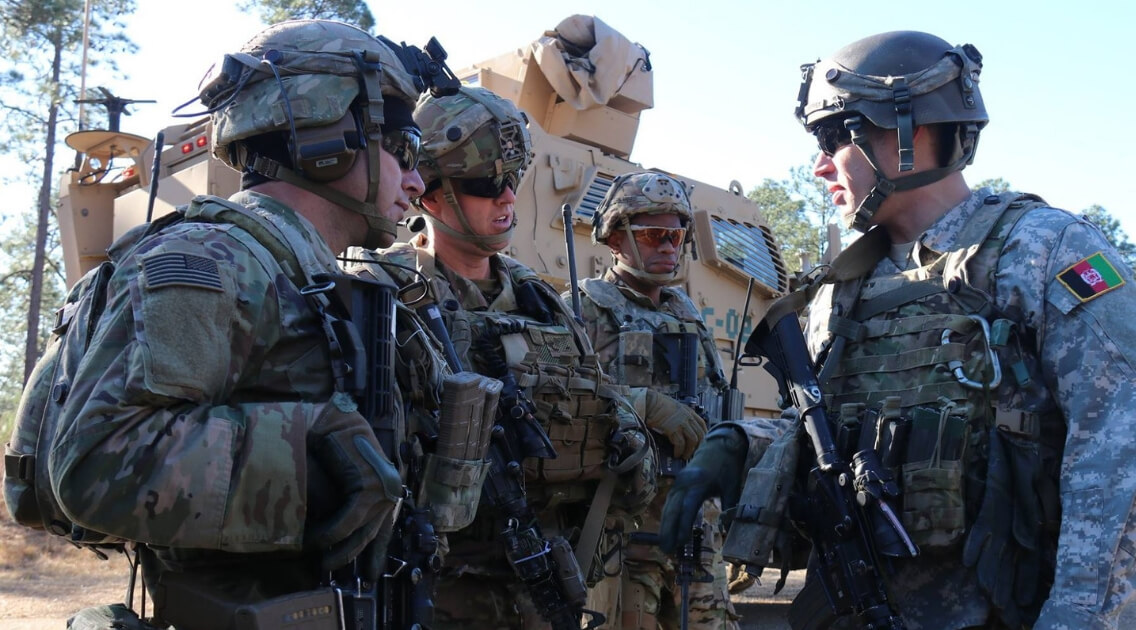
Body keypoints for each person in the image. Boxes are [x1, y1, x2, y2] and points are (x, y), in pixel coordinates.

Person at [662, 30, 1136, 630]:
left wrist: (1075, 615)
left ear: (911, 134)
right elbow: (831, 431)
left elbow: (1121, 447)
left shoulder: (1042, 250)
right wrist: (741, 443)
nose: (819, 163)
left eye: (835, 135)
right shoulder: (842, 284)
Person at [48, 19, 432, 629]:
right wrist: (311, 452)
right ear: (327, 135)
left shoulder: (304, 272)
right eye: (403, 150)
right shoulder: (211, 261)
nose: (416, 180)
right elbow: (96, 461)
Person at [371, 85, 659, 629]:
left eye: (513, 178)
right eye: (486, 184)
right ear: (430, 194)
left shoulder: (537, 297)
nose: (507, 197)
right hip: (437, 590)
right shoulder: (384, 294)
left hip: (540, 576)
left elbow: (600, 398)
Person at [570, 171, 739, 630]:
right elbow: (558, 401)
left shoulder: (686, 313)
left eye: (675, 235)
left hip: (693, 516)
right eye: (651, 235)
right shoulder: (583, 309)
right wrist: (642, 404)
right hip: (620, 519)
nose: (667, 246)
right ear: (615, 239)